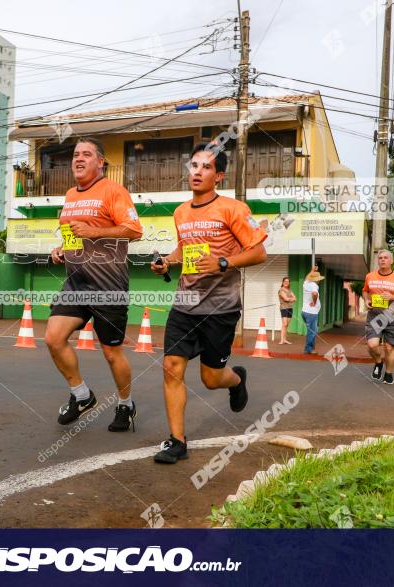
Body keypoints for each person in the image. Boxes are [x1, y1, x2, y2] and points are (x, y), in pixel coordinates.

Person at [149, 143, 267, 464]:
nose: (197, 172)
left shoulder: (234, 209)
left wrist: (224, 263)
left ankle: (237, 379)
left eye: (205, 167)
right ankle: (177, 441)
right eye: (194, 165)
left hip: (221, 308)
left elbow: (259, 253)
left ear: (219, 176)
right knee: (172, 367)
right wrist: (167, 263)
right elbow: (183, 251)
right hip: (185, 304)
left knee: (211, 379)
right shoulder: (180, 213)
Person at [46, 138, 143, 431]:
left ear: (100, 162)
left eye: (86, 154)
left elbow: (134, 230)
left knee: (112, 353)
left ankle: (126, 405)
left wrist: (93, 231)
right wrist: (62, 248)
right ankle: (82, 395)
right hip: (77, 283)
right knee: (53, 338)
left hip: (108, 285)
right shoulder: (70, 195)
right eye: (76, 155)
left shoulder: (114, 191)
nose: (79, 159)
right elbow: (74, 236)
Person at [362, 250, 394, 385]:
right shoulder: (370, 276)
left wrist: (393, 297)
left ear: (392, 261)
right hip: (374, 315)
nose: (382, 260)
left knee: (389, 348)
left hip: (392, 316)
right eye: (380, 258)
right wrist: (366, 300)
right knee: (372, 345)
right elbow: (365, 291)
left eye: (385, 258)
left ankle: (388, 374)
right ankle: (378, 363)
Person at [301, 269, 325, 354]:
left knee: (311, 330)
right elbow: (314, 294)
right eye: (319, 279)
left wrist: (311, 270)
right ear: (317, 279)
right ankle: (309, 349)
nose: (319, 280)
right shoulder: (314, 285)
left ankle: (311, 348)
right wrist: (314, 302)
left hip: (304, 312)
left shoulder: (306, 283)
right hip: (311, 313)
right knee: (312, 331)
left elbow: (306, 278)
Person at [278, 277, 296, 344]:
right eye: (285, 281)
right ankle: (281, 340)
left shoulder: (289, 290)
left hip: (290, 308)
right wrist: (291, 298)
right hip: (284, 308)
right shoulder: (281, 290)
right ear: (283, 282)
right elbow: (286, 299)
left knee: (287, 325)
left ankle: (285, 339)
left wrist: (290, 299)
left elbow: (295, 298)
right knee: (284, 324)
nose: (286, 282)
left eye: (288, 281)